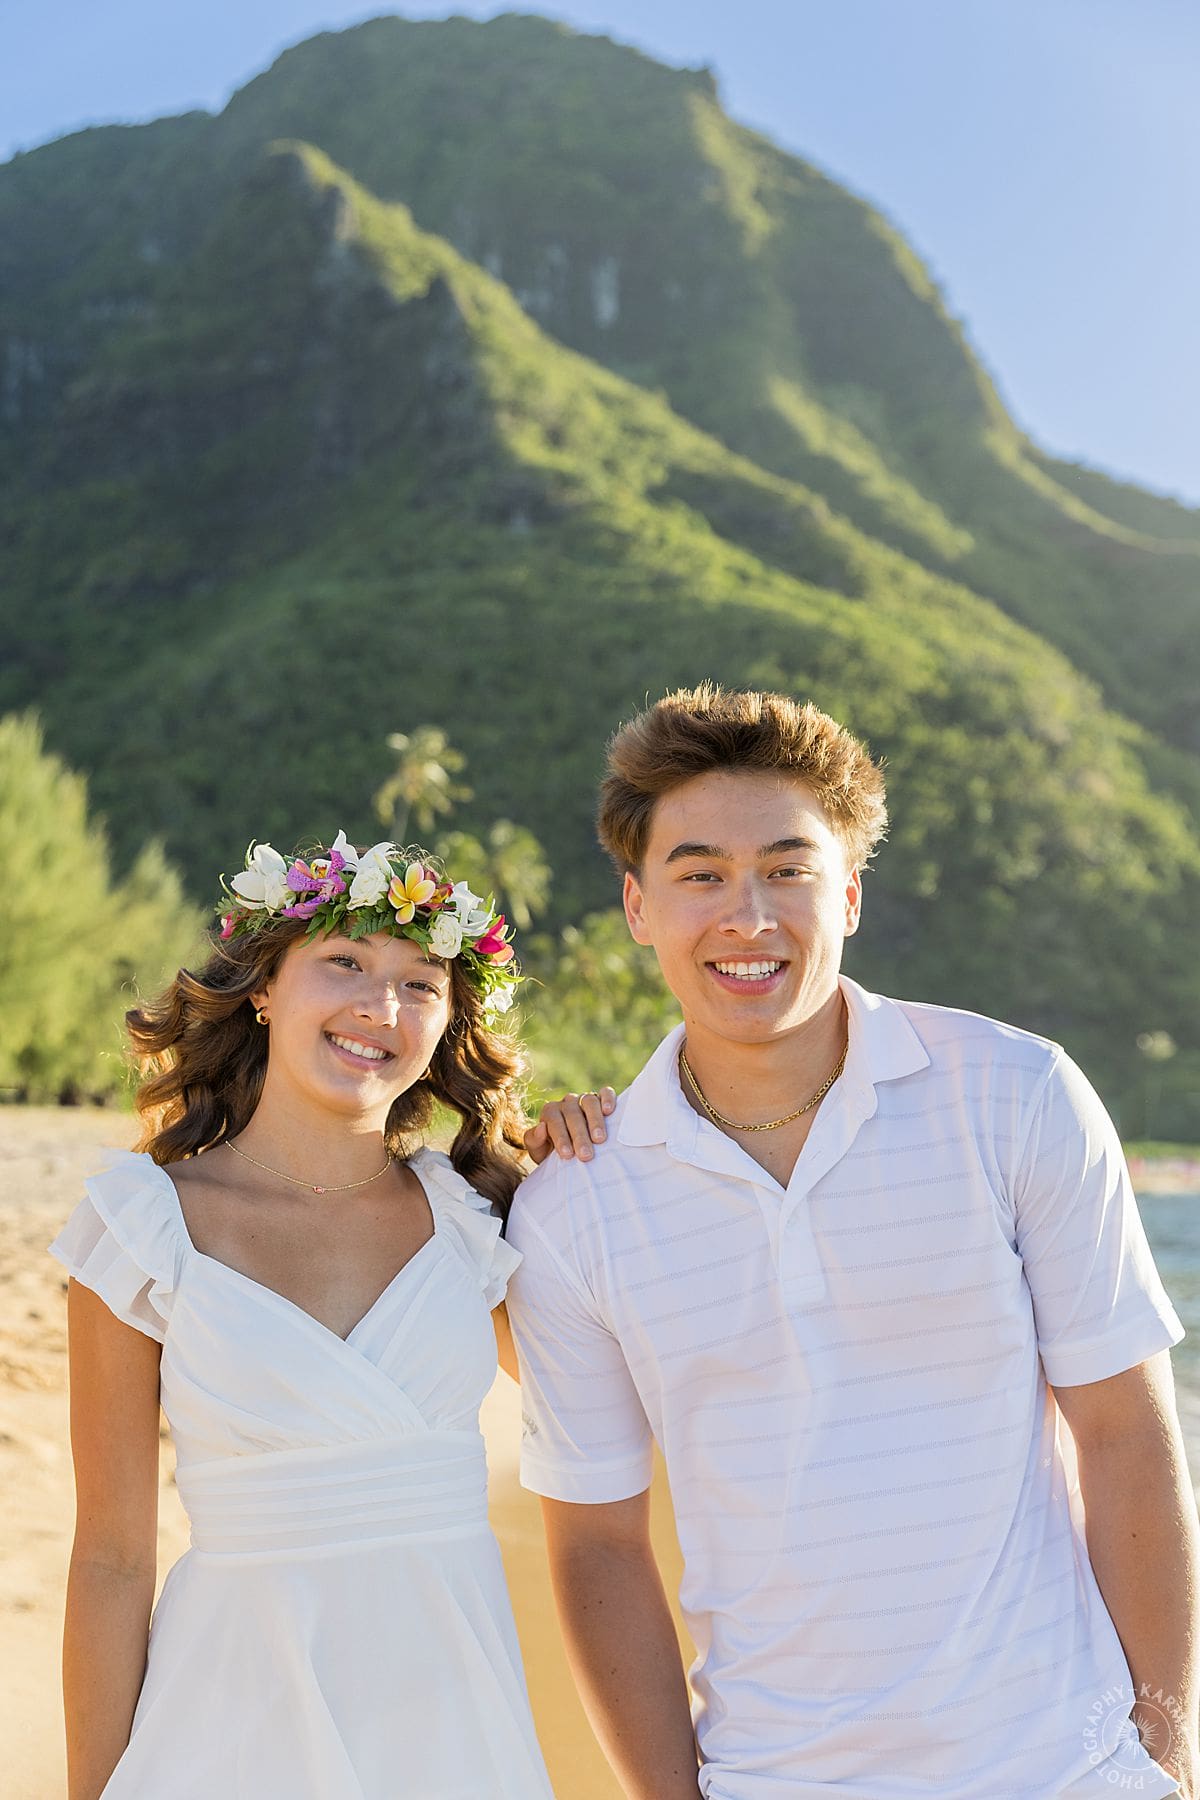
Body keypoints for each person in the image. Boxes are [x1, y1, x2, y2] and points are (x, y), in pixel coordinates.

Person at [506, 685, 1200, 1800]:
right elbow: (596, 1544)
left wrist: (1164, 1752)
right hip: (772, 1781)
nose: (749, 916)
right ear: (639, 906)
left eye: (788, 869)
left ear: (850, 895)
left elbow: (1126, 1431)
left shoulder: (1017, 1096)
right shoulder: (576, 1204)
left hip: (1063, 1774)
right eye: (700, 875)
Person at [49, 831, 602, 1800]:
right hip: (225, 1719)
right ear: (265, 988)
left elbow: (629, 1390)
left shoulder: (480, 1221)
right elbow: (109, 1559)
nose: (379, 1007)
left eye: (420, 982)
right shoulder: (143, 1225)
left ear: (445, 1023)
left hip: (450, 1722)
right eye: (344, 963)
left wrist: (607, 1164)